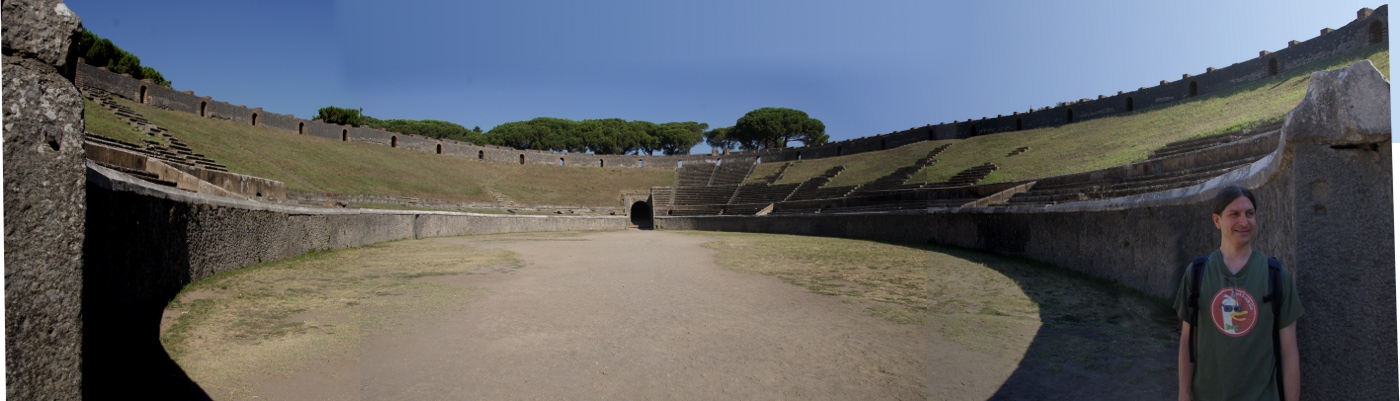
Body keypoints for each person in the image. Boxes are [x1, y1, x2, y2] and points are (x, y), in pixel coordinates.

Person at [1175, 185, 1302, 401]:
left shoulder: (1276, 275)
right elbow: (1188, 343)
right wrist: (1184, 394)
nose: (1244, 222)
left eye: (1249, 214)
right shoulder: (1197, 273)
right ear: (1217, 221)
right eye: (1234, 214)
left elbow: (1289, 353)